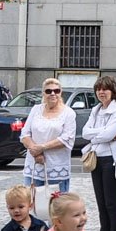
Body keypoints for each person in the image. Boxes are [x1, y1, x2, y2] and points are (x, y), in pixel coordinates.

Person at [82, 75, 116, 231]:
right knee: (101, 203)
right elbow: (85, 132)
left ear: (113, 91)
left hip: (114, 160)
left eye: (105, 89)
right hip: (97, 158)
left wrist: (102, 134)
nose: (102, 92)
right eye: (99, 89)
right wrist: (101, 134)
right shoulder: (96, 110)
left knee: (112, 203)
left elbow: (110, 134)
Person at [21, 77, 77, 209]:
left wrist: (42, 147)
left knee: (57, 208)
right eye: (49, 91)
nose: (53, 93)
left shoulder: (68, 113)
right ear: (43, 93)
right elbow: (25, 134)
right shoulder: (35, 109)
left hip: (56, 167)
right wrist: (35, 152)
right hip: (34, 165)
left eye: (56, 91)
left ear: (60, 92)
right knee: (33, 206)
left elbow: (67, 138)